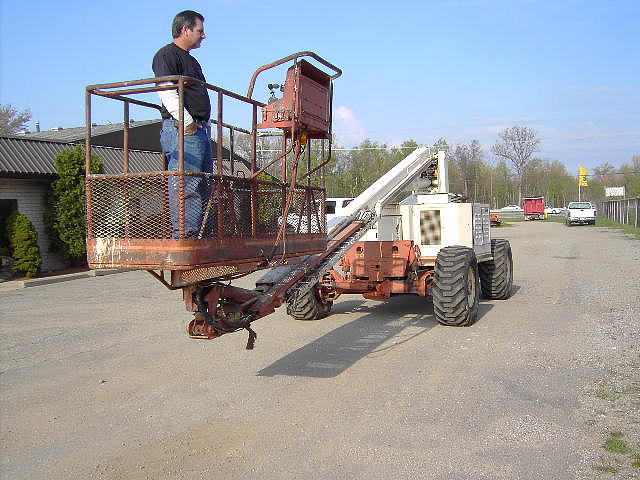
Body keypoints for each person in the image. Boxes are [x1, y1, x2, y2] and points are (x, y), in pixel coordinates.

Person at [152, 10, 212, 239]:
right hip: (184, 130)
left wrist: (203, 126)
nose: (203, 36)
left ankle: (199, 236)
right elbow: (166, 92)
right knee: (186, 184)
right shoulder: (167, 55)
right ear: (185, 30)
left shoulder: (191, 60)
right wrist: (187, 123)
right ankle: (185, 236)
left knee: (203, 186)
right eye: (200, 30)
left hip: (198, 130)